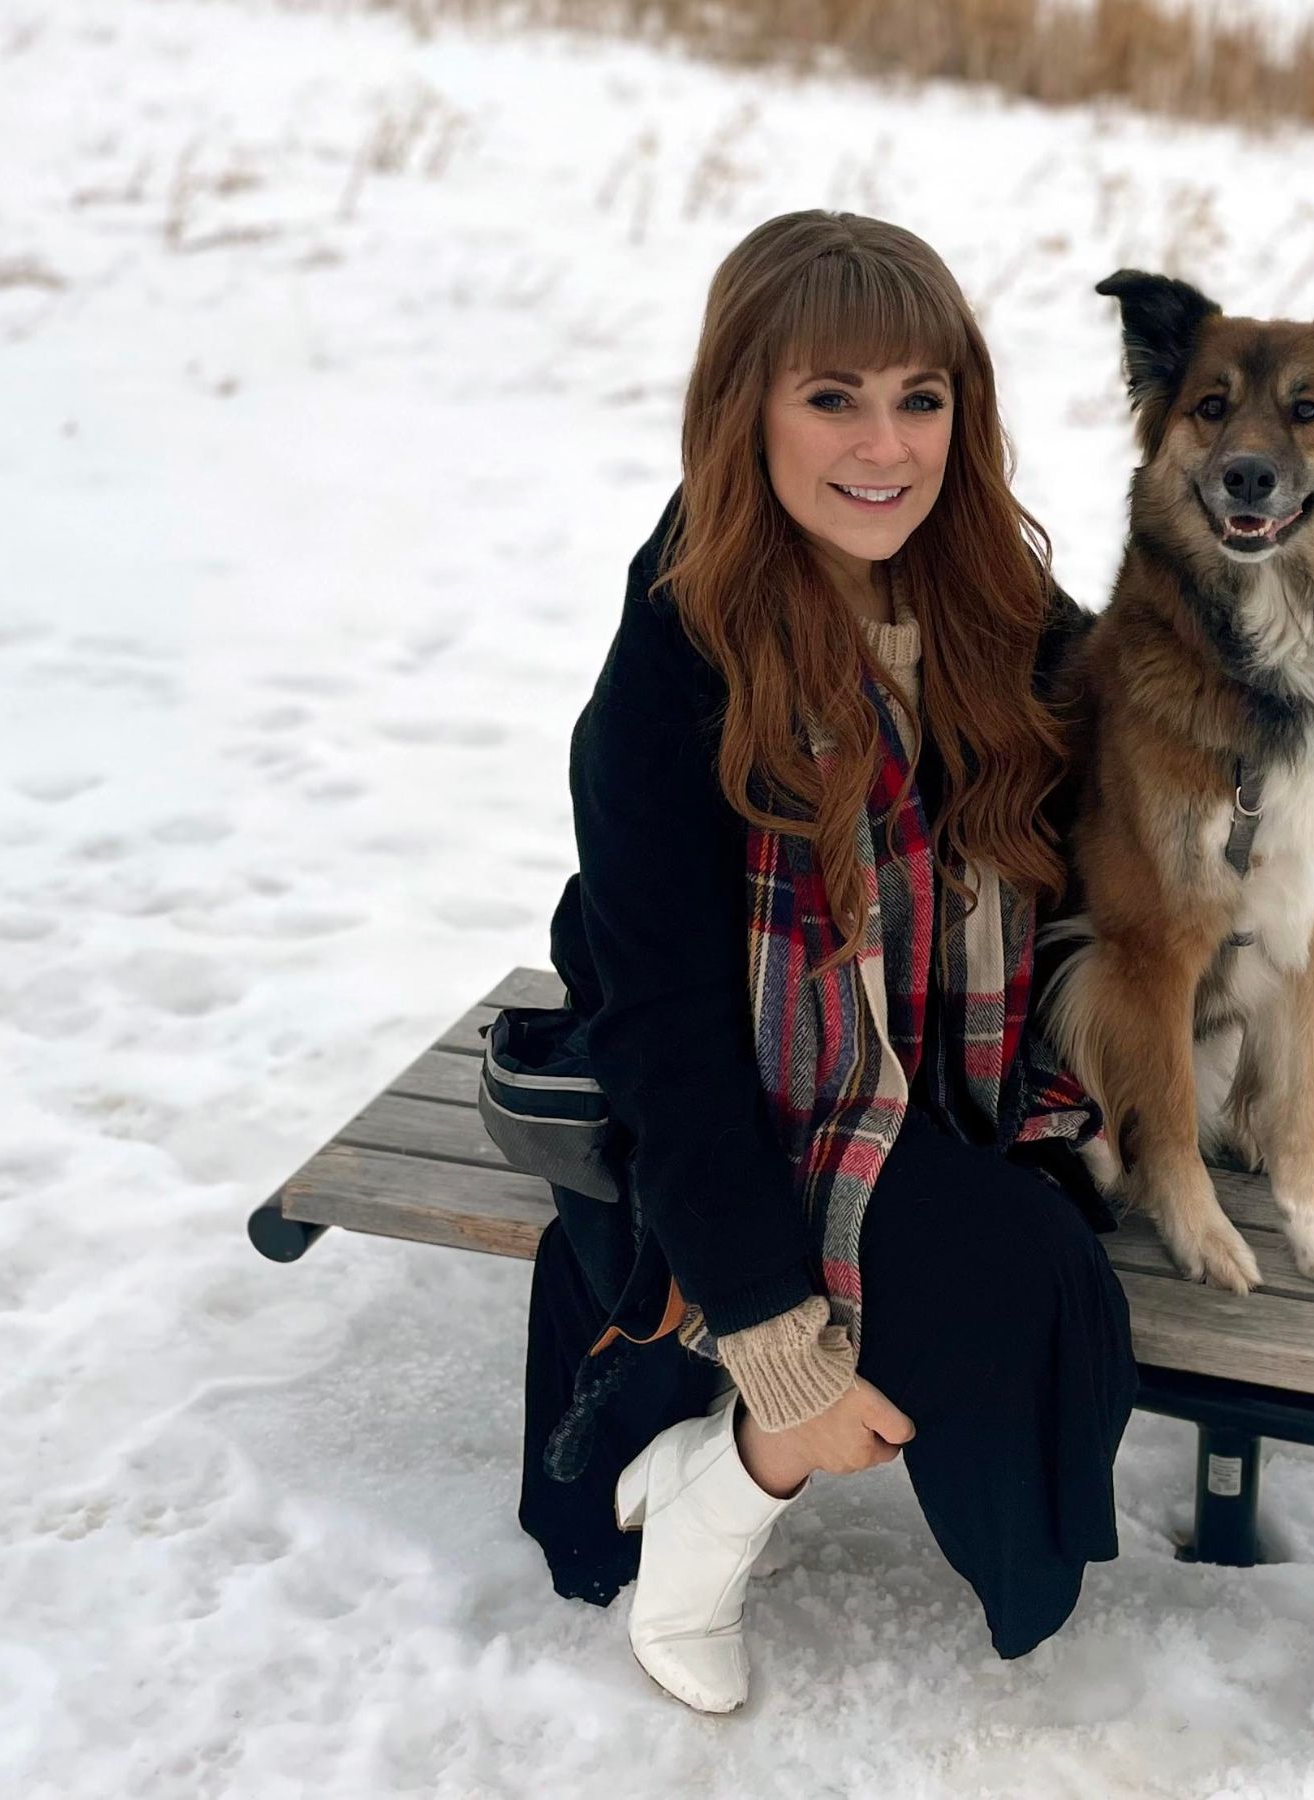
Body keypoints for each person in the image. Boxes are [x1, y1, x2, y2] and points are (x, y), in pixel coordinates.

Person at [514, 210, 1137, 1716]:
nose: (885, 447)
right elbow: (665, 1021)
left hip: (925, 1057)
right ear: (747, 408)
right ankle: (727, 1488)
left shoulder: (981, 587)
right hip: (739, 1072)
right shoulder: (682, 642)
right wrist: (771, 1339)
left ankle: (720, 1470)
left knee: (1057, 1264)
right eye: (832, 397)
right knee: (1014, 1282)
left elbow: (1140, 741)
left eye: (921, 399)